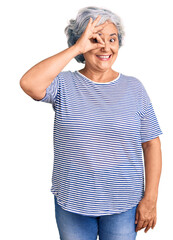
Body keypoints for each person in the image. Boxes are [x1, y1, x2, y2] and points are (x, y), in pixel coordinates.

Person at [20, 6, 163, 240]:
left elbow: (151, 144)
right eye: (95, 39)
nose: (106, 46)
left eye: (112, 39)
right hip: (73, 201)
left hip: (124, 203)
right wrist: (77, 47)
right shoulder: (63, 84)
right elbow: (29, 84)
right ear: (81, 43)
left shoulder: (134, 88)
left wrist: (151, 198)